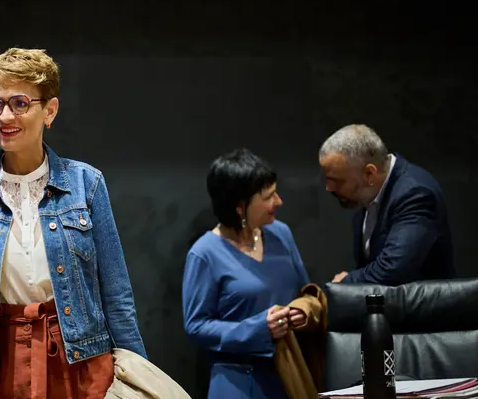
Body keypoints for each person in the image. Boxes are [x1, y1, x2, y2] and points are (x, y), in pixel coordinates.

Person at [0, 47, 146, 398]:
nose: (5, 115)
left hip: (78, 362)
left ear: (49, 111)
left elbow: (117, 297)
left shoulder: (87, 184)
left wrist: (137, 376)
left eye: (20, 103)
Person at [182, 148, 316, 399]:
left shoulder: (281, 233)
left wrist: (302, 311)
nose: (278, 202)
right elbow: (196, 326)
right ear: (240, 208)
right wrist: (257, 329)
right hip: (239, 383)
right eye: (268, 196)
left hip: (290, 374)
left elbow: (303, 290)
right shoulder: (204, 254)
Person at [319, 124, 454, 285]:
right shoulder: (368, 191)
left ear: (369, 173)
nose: (328, 188)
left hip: (422, 310)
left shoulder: (415, 194)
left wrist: (348, 281)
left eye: (337, 181)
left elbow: (393, 269)